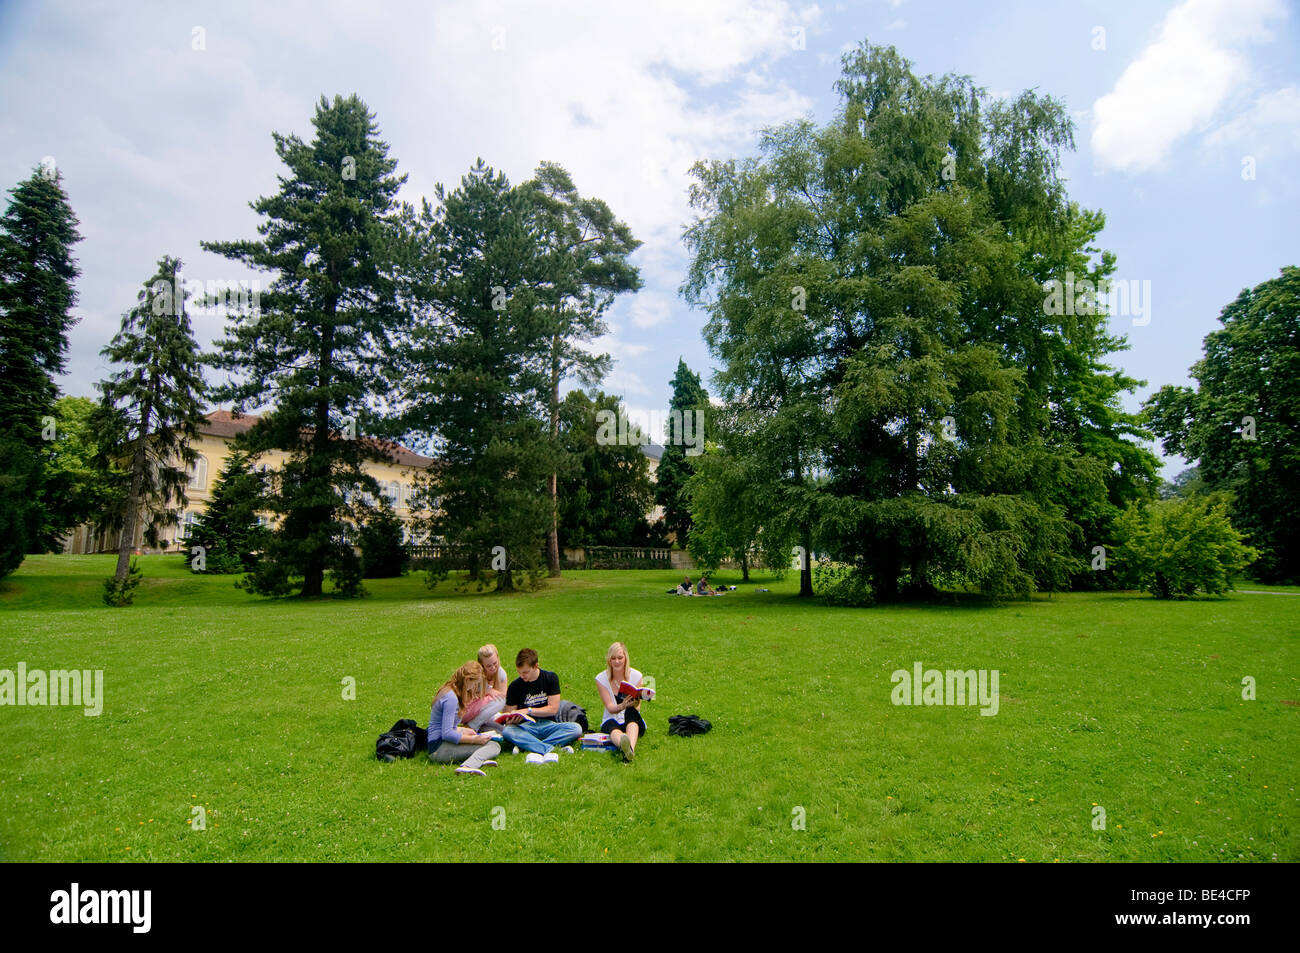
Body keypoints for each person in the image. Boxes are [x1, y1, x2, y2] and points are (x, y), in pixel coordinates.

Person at [501, 648, 582, 763]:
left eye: (525, 672)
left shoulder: (550, 678)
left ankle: (527, 746)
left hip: (548, 725)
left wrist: (528, 711)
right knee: (508, 731)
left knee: (576, 729)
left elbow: (553, 709)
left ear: (536, 666)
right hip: (526, 727)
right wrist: (511, 720)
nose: (522, 676)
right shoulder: (515, 686)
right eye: (519, 672)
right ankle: (549, 748)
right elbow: (508, 713)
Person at [427, 661, 501, 777]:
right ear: (467, 681)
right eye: (475, 684)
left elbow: (448, 727)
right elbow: (447, 733)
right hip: (438, 749)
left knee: (490, 744)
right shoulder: (451, 698)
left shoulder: (451, 690)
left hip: (441, 743)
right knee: (493, 746)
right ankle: (468, 766)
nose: (475, 688)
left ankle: (478, 760)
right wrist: (474, 740)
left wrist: (464, 731)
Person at [595, 641, 647, 763]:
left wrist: (633, 703)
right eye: (613, 658)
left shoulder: (636, 676)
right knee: (612, 725)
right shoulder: (601, 679)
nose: (617, 661)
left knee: (632, 712)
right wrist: (621, 706)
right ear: (609, 660)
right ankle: (623, 744)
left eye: (620, 658)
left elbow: (638, 707)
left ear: (625, 658)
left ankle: (630, 749)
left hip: (632, 720)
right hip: (612, 718)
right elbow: (610, 707)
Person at [463, 643, 508, 732]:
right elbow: (465, 697)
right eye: (488, 666)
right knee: (500, 700)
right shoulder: (475, 674)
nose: (493, 667)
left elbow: (503, 697)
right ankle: (472, 726)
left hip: (485, 712)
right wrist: (487, 691)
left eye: (495, 663)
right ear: (481, 664)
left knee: (503, 730)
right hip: (467, 710)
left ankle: (479, 726)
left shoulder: (501, 674)